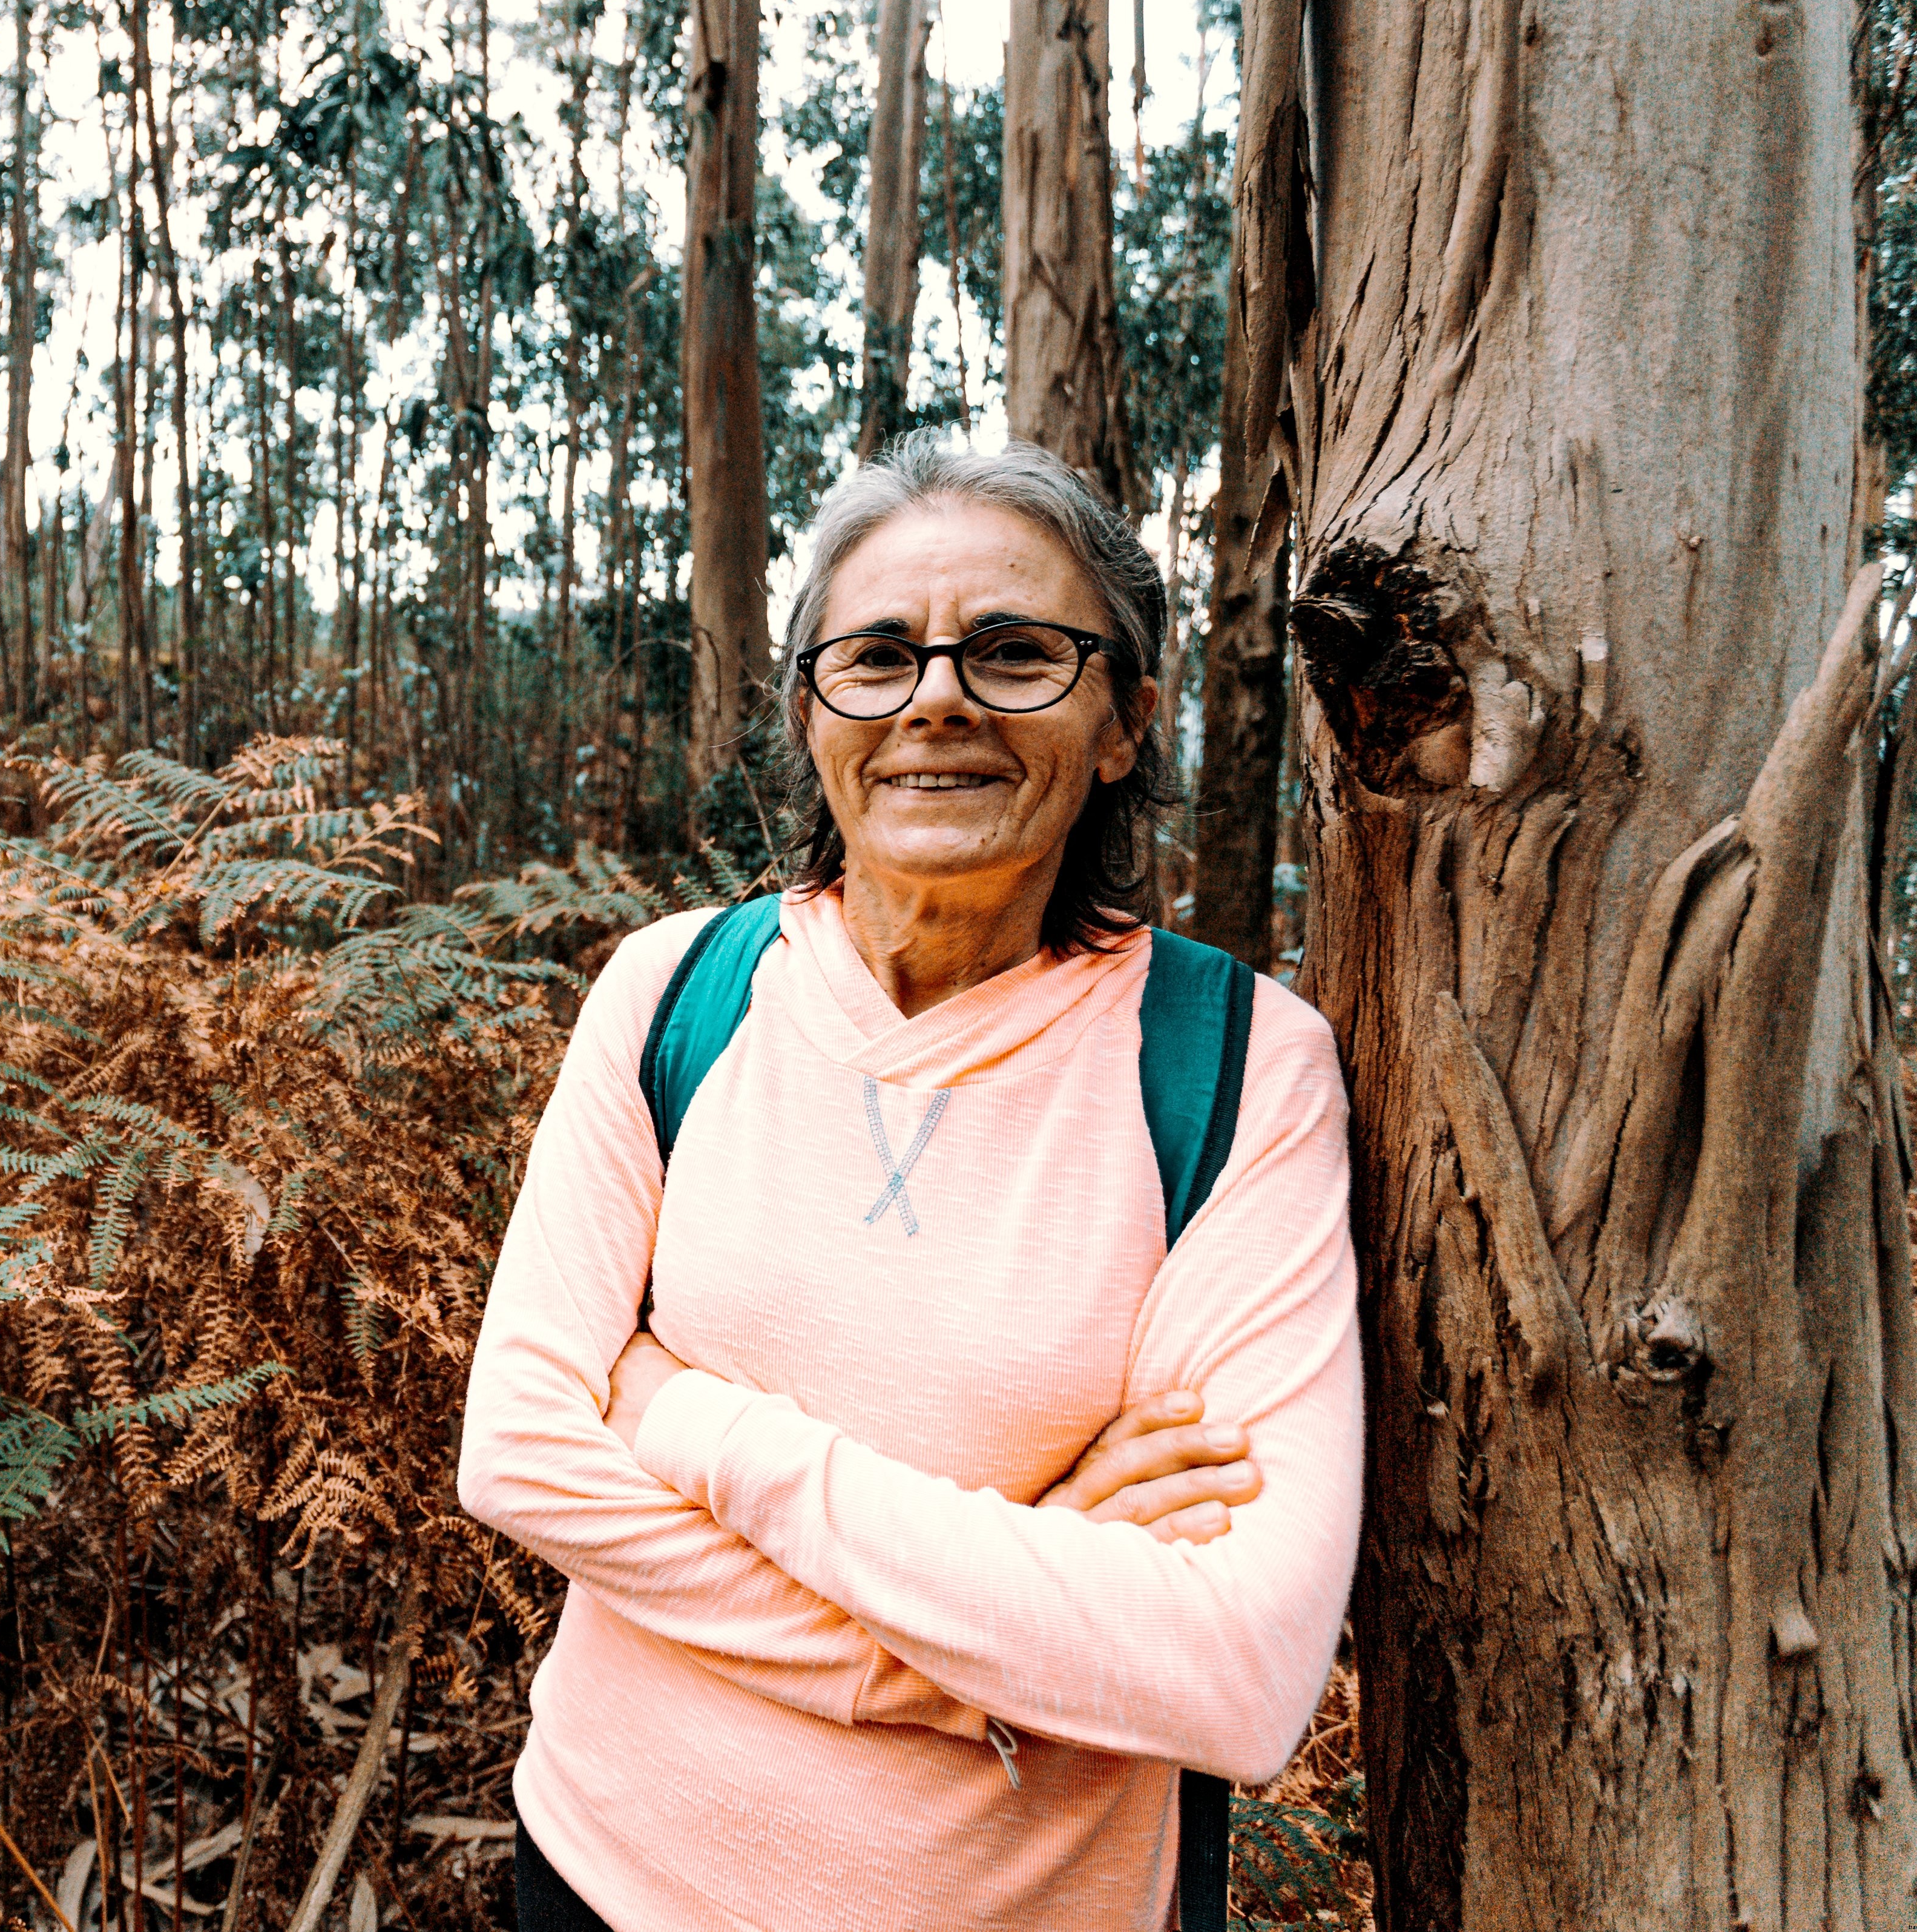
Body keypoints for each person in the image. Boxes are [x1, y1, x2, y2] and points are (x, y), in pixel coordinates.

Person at [457, 438, 1362, 1931]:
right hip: (602, 1872)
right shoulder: (679, 991)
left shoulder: (1232, 1065)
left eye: (1015, 652)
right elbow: (520, 1451)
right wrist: (962, 1663)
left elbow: (1233, 1669)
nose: (936, 696)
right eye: (876, 654)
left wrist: (683, 1416)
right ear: (814, 710)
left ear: (1125, 718)